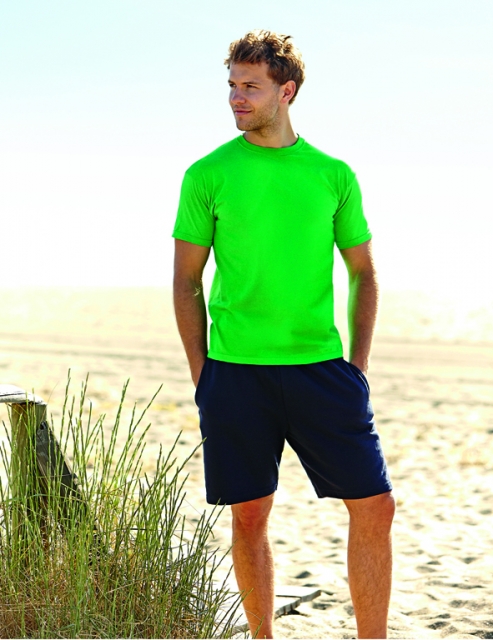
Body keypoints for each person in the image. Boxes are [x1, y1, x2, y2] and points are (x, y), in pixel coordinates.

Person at [172, 29, 395, 639]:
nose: (236, 98)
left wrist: (358, 366)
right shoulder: (207, 174)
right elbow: (187, 281)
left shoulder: (332, 174)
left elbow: (364, 273)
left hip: (321, 369)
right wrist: (203, 373)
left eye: (251, 86)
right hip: (235, 373)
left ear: (286, 91)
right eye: (232, 85)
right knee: (249, 515)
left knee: (376, 506)